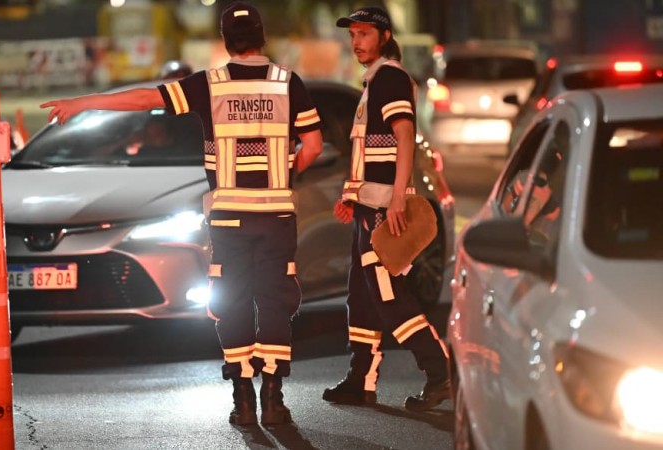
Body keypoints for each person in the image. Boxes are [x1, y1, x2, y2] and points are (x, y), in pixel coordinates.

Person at [41, 1, 323, 426]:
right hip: (277, 216)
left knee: (232, 301)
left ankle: (243, 398)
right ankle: (275, 396)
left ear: (227, 41)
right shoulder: (288, 82)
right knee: (276, 300)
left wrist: (84, 103)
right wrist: (282, 176)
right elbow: (314, 145)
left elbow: (143, 99)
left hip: (228, 215)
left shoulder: (209, 84)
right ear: (263, 38)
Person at [322, 6, 450, 412]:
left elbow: (405, 136)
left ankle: (439, 375)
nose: (357, 41)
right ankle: (361, 378)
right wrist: (351, 197)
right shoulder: (373, 81)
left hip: (382, 211)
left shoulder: (389, 78)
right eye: (353, 35)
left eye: (364, 34)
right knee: (361, 298)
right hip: (368, 208)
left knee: (389, 296)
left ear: (384, 36)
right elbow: (371, 153)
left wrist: (398, 198)